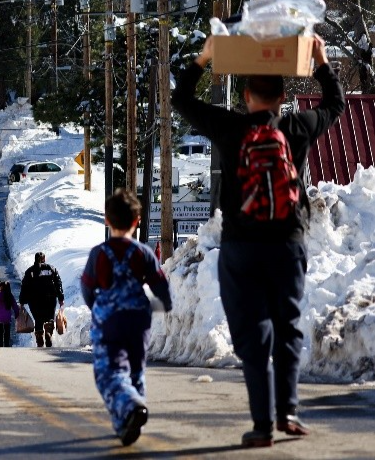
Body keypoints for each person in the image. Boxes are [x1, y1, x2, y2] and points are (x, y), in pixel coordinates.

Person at [171, 36, 344, 448]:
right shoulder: (296, 127)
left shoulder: (230, 128)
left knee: (253, 333)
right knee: (287, 327)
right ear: (283, 97)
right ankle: (288, 411)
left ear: (246, 95)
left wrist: (206, 56)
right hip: (288, 242)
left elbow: (181, 100)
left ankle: (263, 424)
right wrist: (320, 61)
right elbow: (335, 105)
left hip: (241, 247)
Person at [80, 189, 172, 447]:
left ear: (107, 220)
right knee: (135, 369)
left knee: (110, 373)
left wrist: (97, 307)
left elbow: (88, 289)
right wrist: (161, 305)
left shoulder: (98, 254)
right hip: (139, 319)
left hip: (110, 321)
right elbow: (161, 287)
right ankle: (127, 422)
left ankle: (130, 408)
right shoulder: (143, 253)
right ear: (137, 221)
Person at [19, 252, 64, 347]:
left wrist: (22, 301)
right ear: (44, 259)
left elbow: (24, 287)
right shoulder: (51, 269)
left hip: (34, 300)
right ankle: (48, 332)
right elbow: (58, 283)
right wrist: (60, 297)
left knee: (38, 319)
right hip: (50, 298)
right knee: (49, 318)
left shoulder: (30, 271)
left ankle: (39, 336)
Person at [0, 281, 20, 347]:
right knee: (7, 333)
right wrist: (17, 314)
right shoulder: (10, 295)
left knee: (0, 333)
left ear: (1, 287)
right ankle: (7, 345)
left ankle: (0, 346)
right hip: (7, 318)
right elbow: (15, 306)